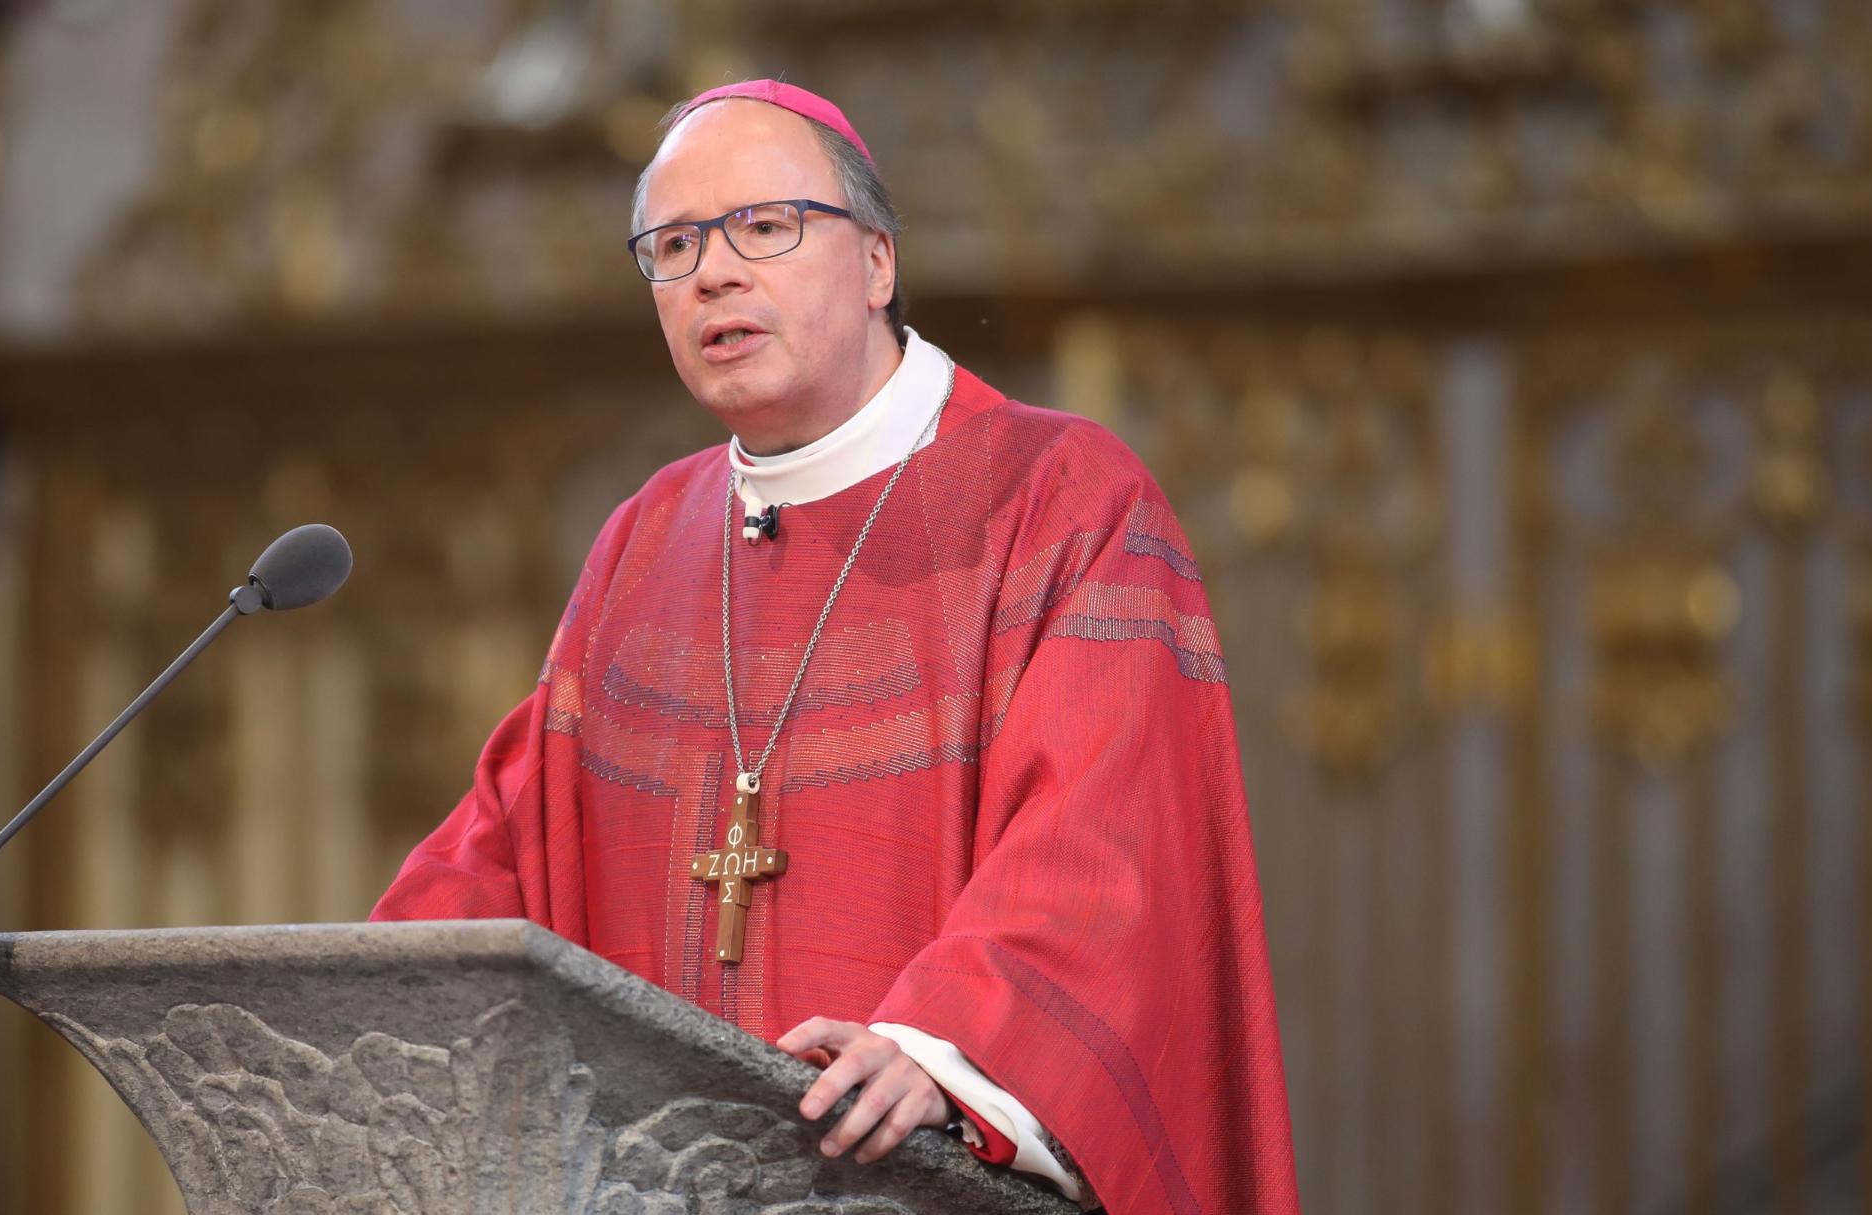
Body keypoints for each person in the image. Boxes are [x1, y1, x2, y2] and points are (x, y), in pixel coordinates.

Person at [371, 79, 1299, 1214]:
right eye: (671, 246)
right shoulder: (647, 538)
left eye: (763, 227)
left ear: (876, 265)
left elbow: (1109, 845)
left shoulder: (1058, 496)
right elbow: (515, 840)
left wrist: (945, 1048)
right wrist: (360, 1007)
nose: (713, 272)